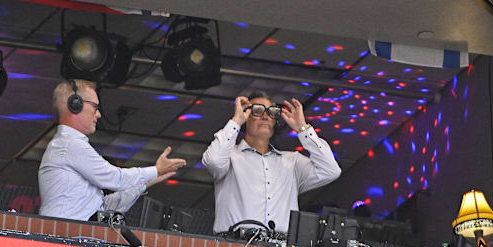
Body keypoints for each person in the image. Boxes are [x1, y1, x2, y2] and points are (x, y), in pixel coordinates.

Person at [39, 79, 186, 220]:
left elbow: (105, 208)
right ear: (75, 105)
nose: (98, 114)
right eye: (95, 107)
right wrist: (155, 170)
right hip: (61, 238)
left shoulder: (69, 145)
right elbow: (116, 179)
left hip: (67, 236)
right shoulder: (70, 145)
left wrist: (147, 180)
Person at [202, 91, 341, 235]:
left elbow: (331, 170)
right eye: (257, 110)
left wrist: (303, 129)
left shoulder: (292, 161)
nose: (265, 116)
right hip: (232, 245)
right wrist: (236, 121)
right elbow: (213, 160)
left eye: (271, 112)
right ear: (246, 117)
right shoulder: (230, 156)